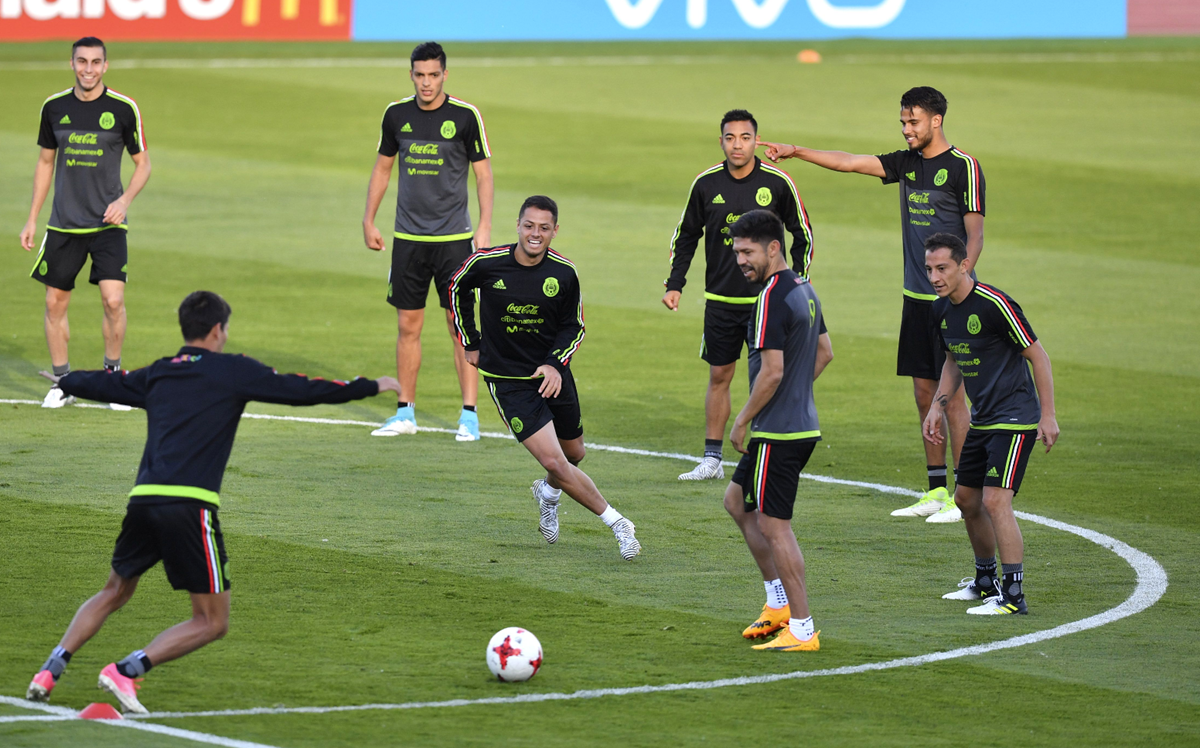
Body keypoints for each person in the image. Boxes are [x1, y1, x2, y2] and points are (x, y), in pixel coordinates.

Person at [25, 291, 400, 713]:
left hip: (143, 500)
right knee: (211, 621)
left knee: (114, 590)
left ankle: (50, 669)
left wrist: (67, 380)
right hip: (190, 505)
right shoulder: (233, 370)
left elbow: (108, 382)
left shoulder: (161, 371)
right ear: (218, 330)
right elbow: (298, 389)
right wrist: (367, 387)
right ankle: (127, 671)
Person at [759, 87, 984, 522]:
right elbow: (850, 161)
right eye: (903, 122)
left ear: (936, 120)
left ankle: (963, 493)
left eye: (913, 122)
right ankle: (936, 490)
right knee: (924, 394)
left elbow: (974, 230)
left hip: (951, 299)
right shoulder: (907, 162)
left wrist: (964, 275)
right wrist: (797, 151)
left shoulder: (963, 168)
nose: (906, 130)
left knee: (951, 398)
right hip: (915, 298)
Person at [449, 196, 641, 560]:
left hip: (552, 374)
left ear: (554, 231)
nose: (535, 234)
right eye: (529, 225)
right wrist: (470, 341)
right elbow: (456, 286)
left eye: (543, 228)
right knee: (555, 462)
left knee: (574, 455)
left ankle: (548, 495)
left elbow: (575, 326)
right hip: (508, 380)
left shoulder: (564, 273)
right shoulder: (486, 264)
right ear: (518, 225)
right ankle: (619, 524)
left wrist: (554, 363)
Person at [663, 109, 814, 482]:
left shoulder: (778, 183)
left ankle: (765, 450)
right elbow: (686, 237)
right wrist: (674, 284)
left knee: (768, 377)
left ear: (756, 140)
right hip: (721, 301)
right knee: (719, 375)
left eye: (745, 138)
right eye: (730, 138)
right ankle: (712, 459)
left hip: (769, 301)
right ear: (721, 142)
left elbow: (803, 234)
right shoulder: (705, 184)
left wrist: (798, 283)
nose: (737, 145)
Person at [363, 41, 494, 442]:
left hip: (454, 240)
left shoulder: (466, 116)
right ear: (411, 75)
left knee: (460, 325)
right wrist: (368, 219)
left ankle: (469, 416)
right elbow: (383, 169)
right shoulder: (396, 115)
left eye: (433, 75)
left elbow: (484, 174)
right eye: (419, 75)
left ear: (445, 75)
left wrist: (484, 226)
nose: (426, 83)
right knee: (407, 325)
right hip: (408, 240)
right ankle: (405, 411)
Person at [922, 233, 1058, 615]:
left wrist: (1047, 415)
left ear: (964, 265)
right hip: (983, 418)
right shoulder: (940, 310)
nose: (934, 276)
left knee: (996, 500)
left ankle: (1014, 597)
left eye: (942, 268)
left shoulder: (995, 304)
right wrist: (937, 407)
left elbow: (1039, 357)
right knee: (966, 499)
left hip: (1015, 416)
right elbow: (952, 361)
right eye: (929, 269)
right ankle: (986, 582)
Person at [20, 37, 151, 412]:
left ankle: (112, 378)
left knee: (113, 300)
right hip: (63, 225)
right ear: (72, 63)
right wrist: (32, 219)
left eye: (96, 62)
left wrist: (124, 201)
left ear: (105, 66)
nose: (88, 69)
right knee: (54, 303)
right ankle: (63, 382)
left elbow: (144, 164)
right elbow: (46, 163)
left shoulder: (124, 109)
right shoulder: (54, 107)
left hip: (108, 224)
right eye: (82, 61)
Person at [722, 210, 826, 652]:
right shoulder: (804, 289)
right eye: (736, 252)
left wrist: (744, 417)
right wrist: (794, 395)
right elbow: (824, 353)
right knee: (736, 502)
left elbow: (772, 373)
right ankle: (777, 602)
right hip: (796, 424)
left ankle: (802, 628)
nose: (740, 261)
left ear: (772, 248)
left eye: (747, 252)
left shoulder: (770, 297)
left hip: (778, 432)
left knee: (773, 524)